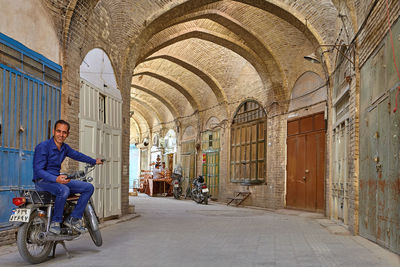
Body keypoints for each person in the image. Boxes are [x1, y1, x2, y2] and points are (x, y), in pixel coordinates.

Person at [33, 120, 103, 235]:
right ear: (54, 131)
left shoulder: (64, 148)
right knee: (64, 190)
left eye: (64, 132)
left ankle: (73, 219)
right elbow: (38, 171)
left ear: (68, 134)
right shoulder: (43, 147)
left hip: (57, 179)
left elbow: (77, 155)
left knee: (88, 187)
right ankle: (55, 222)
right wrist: (56, 179)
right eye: (58, 131)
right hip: (42, 181)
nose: (61, 135)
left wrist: (94, 161)